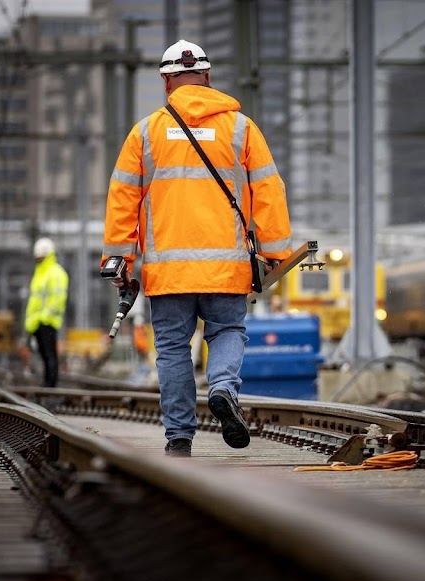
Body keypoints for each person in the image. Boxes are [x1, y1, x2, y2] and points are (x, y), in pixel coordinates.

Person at [102, 39, 294, 458]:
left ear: (167, 82)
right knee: (226, 331)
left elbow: (123, 198)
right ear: (207, 78)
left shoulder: (146, 132)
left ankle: (179, 437)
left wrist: (119, 261)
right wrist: (277, 253)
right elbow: (268, 191)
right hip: (226, 268)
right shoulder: (242, 128)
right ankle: (223, 387)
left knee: (172, 349)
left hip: (167, 272)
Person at [25, 238, 69, 387]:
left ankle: (51, 384)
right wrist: (30, 320)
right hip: (37, 322)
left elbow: (57, 299)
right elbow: (34, 300)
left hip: (48, 321)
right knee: (44, 354)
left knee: (50, 354)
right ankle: (47, 383)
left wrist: (44, 316)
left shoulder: (56, 273)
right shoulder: (40, 273)